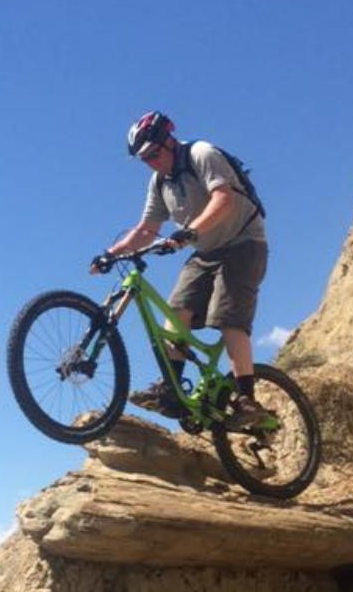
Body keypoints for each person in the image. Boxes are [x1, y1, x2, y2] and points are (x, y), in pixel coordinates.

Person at [91, 110, 271, 426]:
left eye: (154, 154)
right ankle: (171, 391)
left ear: (169, 141)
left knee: (228, 318)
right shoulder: (159, 181)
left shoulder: (202, 154)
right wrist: (110, 253)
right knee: (176, 315)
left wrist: (190, 231)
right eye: (144, 159)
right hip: (205, 251)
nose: (152, 162)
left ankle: (247, 400)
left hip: (243, 243)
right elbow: (147, 228)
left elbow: (223, 199)